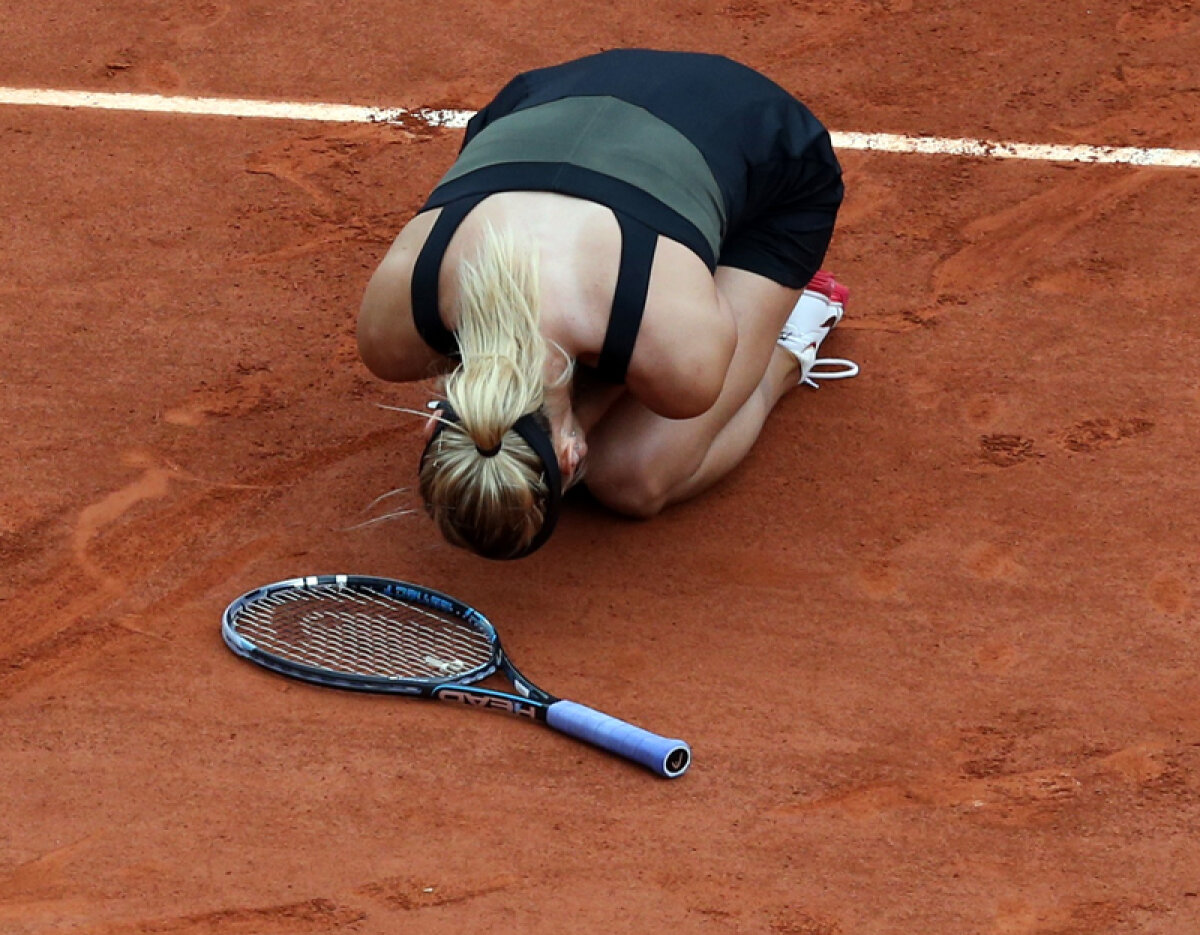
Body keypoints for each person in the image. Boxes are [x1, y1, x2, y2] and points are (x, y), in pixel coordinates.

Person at [357, 49, 858, 560]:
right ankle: (682, 248)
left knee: (634, 478)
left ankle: (792, 341)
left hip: (761, 145)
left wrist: (578, 421)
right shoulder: (392, 330)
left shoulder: (683, 358)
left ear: (572, 456)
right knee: (624, 435)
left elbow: (645, 360)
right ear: (435, 423)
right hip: (552, 95)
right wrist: (572, 417)